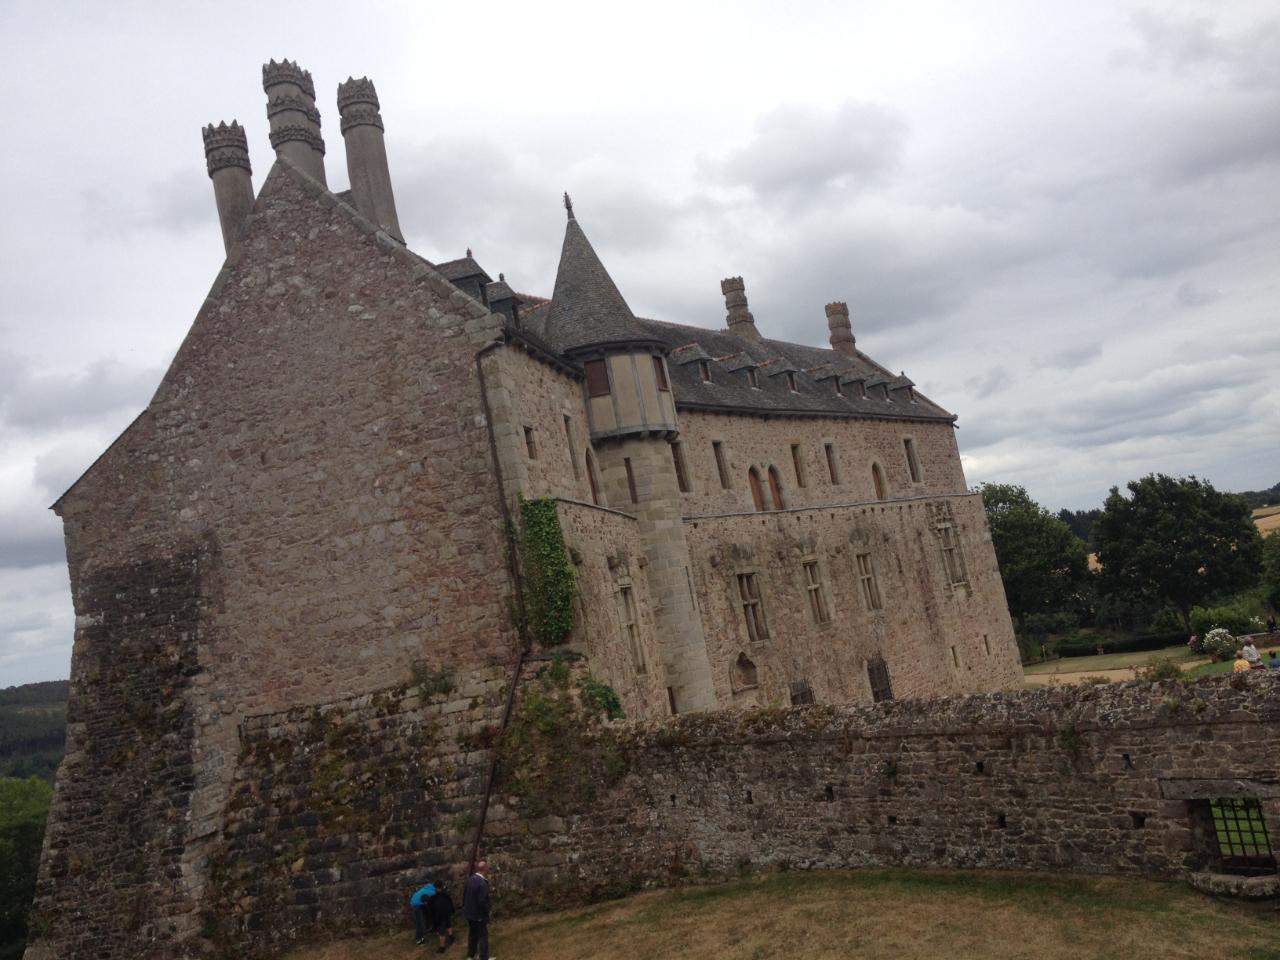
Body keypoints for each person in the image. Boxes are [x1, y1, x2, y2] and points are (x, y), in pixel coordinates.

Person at [463, 859, 492, 960]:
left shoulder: (469, 880)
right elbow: (482, 901)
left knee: (472, 935)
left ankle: (471, 955)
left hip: (469, 914)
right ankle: (484, 957)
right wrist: (488, 910)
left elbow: (464, 896)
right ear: (484, 869)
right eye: (487, 867)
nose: (488, 869)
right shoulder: (482, 883)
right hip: (478, 915)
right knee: (483, 935)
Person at [428, 882, 456, 953]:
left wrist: (433, 921)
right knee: (448, 925)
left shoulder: (433, 898)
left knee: (442, 932)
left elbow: (431, 910)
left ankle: (442, 947)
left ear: (436, 888)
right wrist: (452, 911)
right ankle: (451, 938)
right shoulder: (446, 895)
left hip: (440, 916)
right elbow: (450, 903)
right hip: (447, 913)